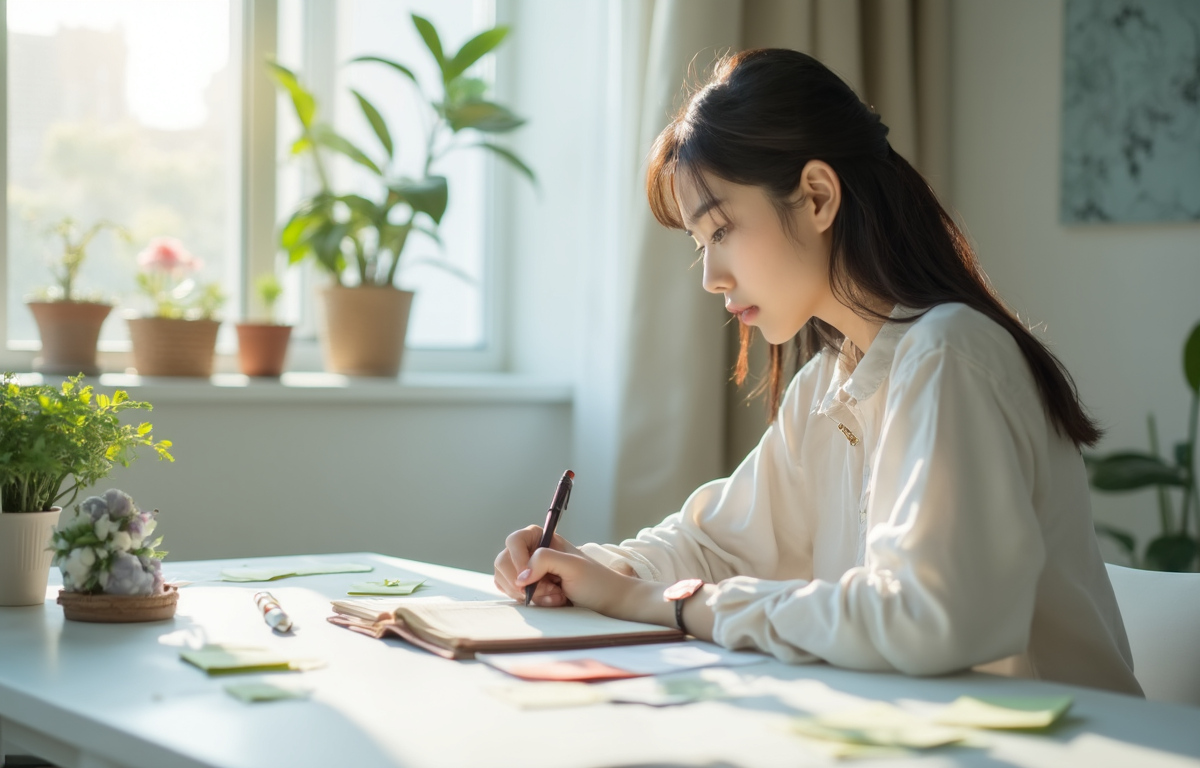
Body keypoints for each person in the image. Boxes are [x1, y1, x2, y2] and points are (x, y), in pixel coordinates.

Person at [493, 49, 1142, 696]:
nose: (712, 277)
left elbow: (927, 620)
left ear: (817, 196)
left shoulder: (949, 355)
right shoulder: (832, 385)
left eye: (720, 231)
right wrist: (587, 567)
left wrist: (670, 603)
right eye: (700, 245)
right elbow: (719, 543)